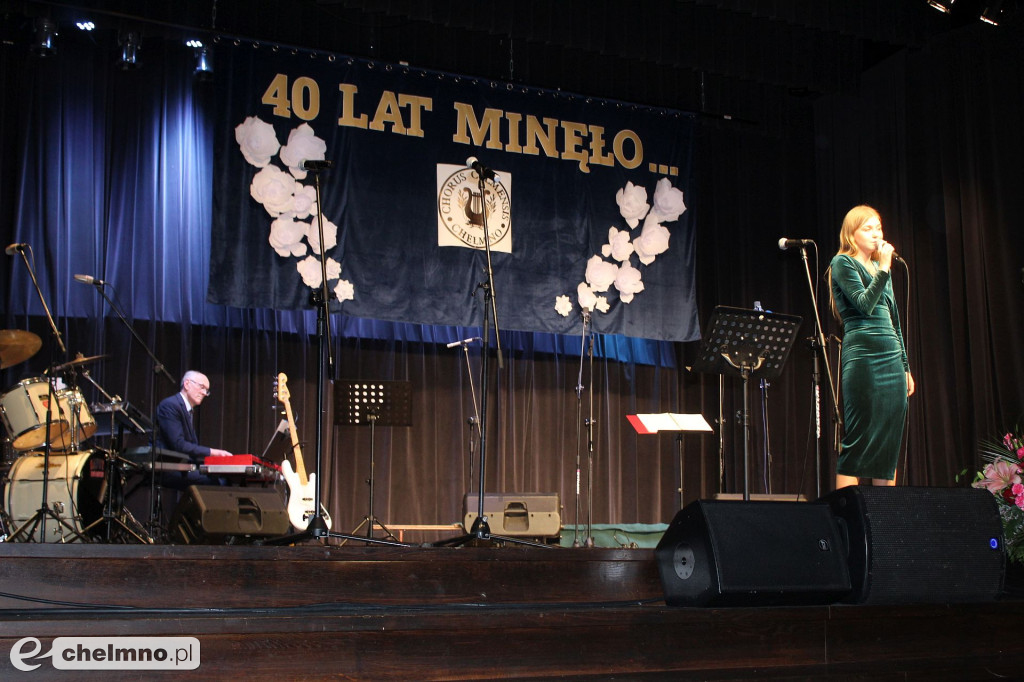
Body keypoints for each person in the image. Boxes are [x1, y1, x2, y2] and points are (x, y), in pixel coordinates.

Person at [829, 205, 915, 489]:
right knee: (858, 444)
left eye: (878, 227)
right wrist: (885, 267)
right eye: (868, 228)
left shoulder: (880, 267)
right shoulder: (843, 263)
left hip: (891, 358)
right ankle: (848, 522)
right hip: (864, 357)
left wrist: (905, 367)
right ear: (851, 234)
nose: (876, 233)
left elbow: (895, 321)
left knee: (887, 448)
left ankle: (882, 525)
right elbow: (864, 305)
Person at [155, 370, 232, 487]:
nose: (205, 393)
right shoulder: (170, 405)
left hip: (183, 465)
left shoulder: (186, 410)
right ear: (187, 384)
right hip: (166, 466)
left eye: (206, 390)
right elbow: (178, 444)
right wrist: (214, 452)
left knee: (224, 478)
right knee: (216, 483)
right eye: (202, 387)